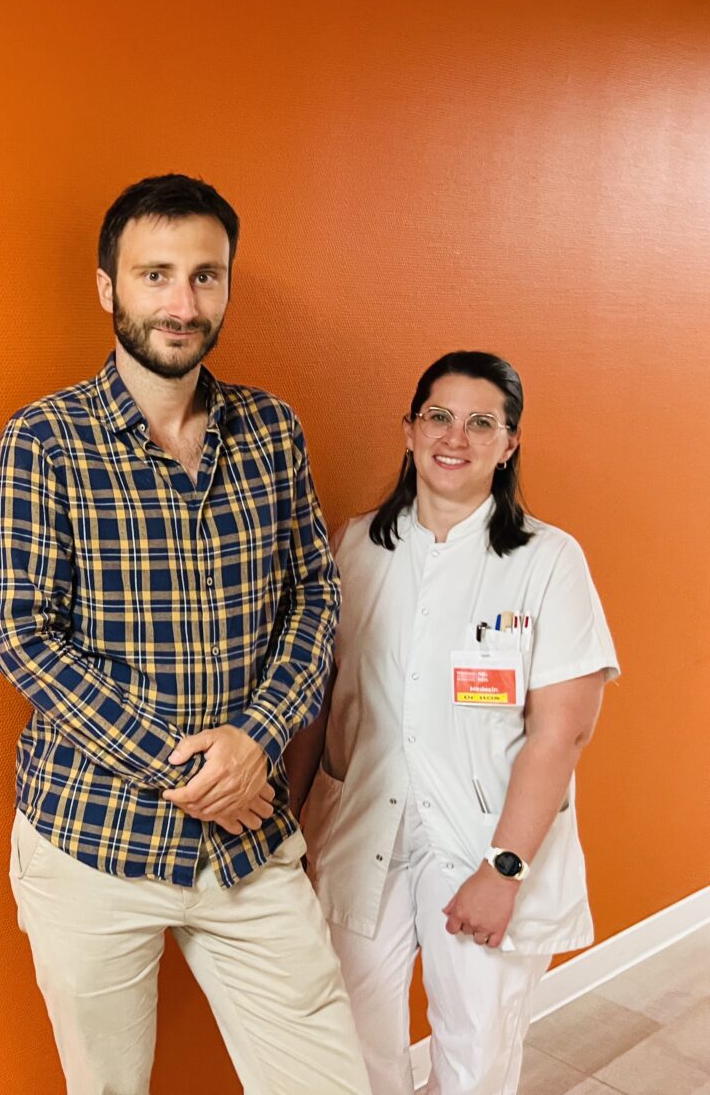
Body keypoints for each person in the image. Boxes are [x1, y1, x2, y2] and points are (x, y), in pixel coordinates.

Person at [0, 173, 370, 1095]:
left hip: (247, 842)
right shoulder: (44, 440)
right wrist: (193, 771)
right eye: (155, 275)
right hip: (91, 840)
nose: (182, 304)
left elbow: (314, 596)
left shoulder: (271, 430)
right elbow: (23, 634)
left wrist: (257, 742)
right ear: (108, 287)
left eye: (205, 276)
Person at [286, 351, 620, 1095]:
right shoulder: (352, 546)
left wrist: (504, 869)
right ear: (409, 429)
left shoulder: (547, 561)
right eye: (438, 416)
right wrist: (292, 826)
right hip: (360, 837)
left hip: (484, 845)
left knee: (474, 1064)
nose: (455, 437)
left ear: (510, 444)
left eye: (481, 423)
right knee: (350, 1055)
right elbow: (319, 699)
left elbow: (561, 733)